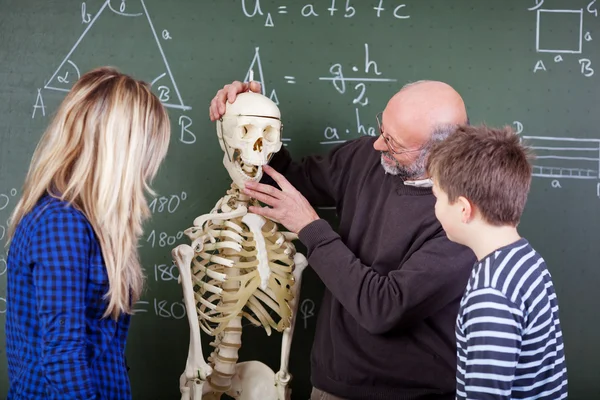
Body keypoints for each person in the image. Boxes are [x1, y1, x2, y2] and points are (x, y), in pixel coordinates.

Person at [209, 80, 476, 399]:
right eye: (382, 128)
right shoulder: (364, 158)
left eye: (393, 143)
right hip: (331, 386)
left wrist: (311, 227)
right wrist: (246, 116)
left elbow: (384, 308)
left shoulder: (465, 217)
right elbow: (287, 183)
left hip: (409, 393)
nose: (378, 144)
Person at [4, 67, 171, 399]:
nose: (150, 167)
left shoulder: (85, 224)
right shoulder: (61, 223)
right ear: (120, 151)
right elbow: (63, 358)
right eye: (147, 151)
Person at [426, 124, 568, 399]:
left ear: (464, 209)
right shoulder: (526, 259)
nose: (435, 208)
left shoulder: (491, 292)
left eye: (437, 198)